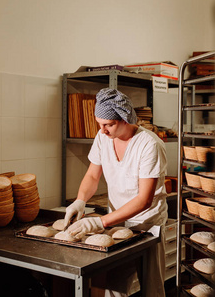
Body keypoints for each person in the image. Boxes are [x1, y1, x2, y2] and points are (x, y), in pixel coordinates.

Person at [64, 87, 168, 297]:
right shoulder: (103, 138)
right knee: (114, 286)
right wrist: (80, 200)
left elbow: (144, 199)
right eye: (99, 124)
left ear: (125, 119)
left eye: (108, 124)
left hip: (147, 223)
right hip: (117, 221)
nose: (102, 130)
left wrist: (99, 222)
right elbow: (93, 175)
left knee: (152, 287)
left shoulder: (149, 145)